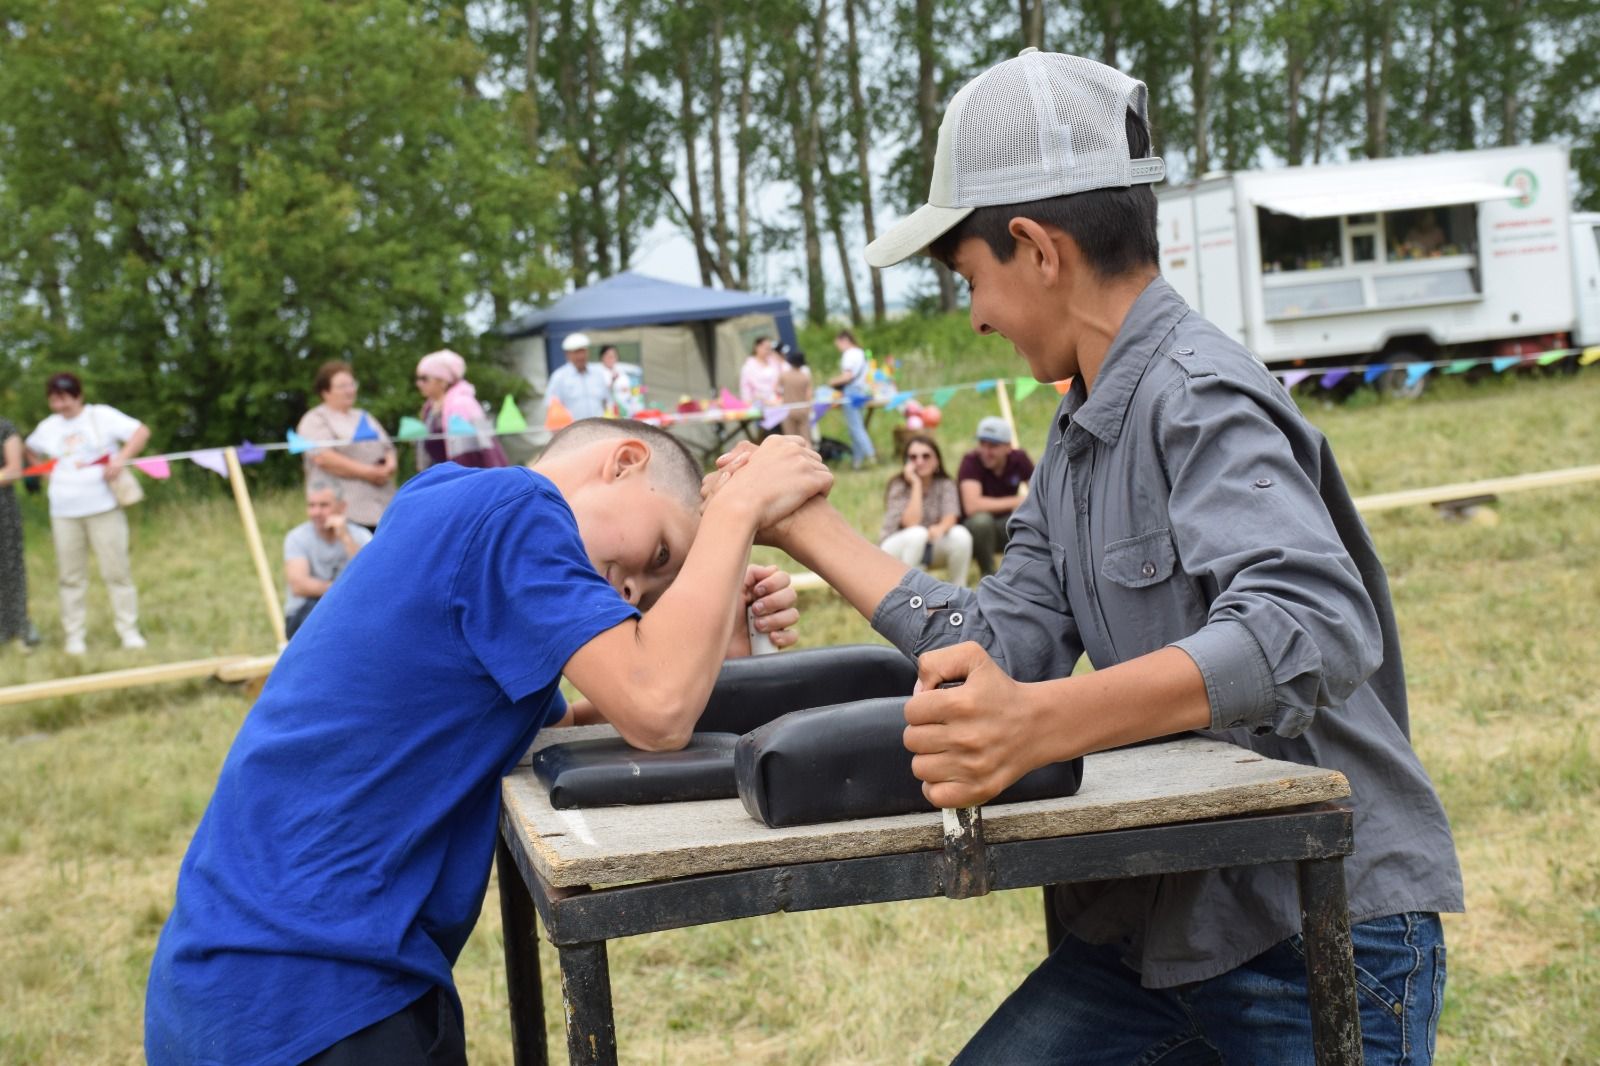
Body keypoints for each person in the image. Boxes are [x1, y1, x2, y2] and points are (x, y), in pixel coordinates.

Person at [722, 49, 1459, 1065]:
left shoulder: (1196, 392)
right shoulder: (1073, 437)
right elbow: (1000, 640)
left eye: (970, 278)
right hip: (1159, 929)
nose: (973, 313)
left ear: (1034, 247)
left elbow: (1314, 620)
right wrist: (805, 525)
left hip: (1312, 927)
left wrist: (1040, 721)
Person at [144, 421, 828, 1066]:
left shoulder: (452, 506)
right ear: (623, 462)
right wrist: (735, 512)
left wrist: (718, 619)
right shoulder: (516, 511)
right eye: (659, 555)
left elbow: (606, 718)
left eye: (651, 594)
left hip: (269, 976)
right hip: (305, 990)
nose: (629, 589)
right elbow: (657, 708)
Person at [24, 372, 151, 654]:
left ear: (78, 395)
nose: (59, 406)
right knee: (71, 576)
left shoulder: (101, 416)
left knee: (117, 571)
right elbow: (29, 448)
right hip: (64, 511)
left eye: (65, 399)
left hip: (103, 507)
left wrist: (120, 459)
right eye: (54, 401)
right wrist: (44, 472)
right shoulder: (48, 426)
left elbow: (141, 431)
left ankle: (128, 630)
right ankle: (74, 635)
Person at [296, 360, 397, 532]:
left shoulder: (364, 416)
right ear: (325, 391)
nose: (350, 390)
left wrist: (390, 465)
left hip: (382, 508)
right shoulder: (315, 419)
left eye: (352, 384)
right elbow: (324, 457)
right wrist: (369, 472)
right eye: (342, 386)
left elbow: (388, 447)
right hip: (346, 513)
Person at [879, 435, 973, 587]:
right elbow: (911, 522)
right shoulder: (898, 485)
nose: (920, 461)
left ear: (937, 460)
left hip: (929, 545)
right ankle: (907, 593)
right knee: (918, 533)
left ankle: (958, 590)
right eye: (913, 457)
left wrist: (941, 528)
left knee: (961, 535)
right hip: (894, 549)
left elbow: (951, 516)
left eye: (926, 456)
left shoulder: (945, 484)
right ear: (906, 462)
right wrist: (916, 484)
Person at [283, 480, 372, 639]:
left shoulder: (361, 535)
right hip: (305, 614)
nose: (316, 512)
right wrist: (345, 590)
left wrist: (345, 537)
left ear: (342, 507)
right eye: (311, 505)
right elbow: (299, 585)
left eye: (324, 505)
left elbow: (369, 575)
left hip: (348, 609)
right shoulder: (297, 537)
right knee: (323, 616)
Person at [957, 415, 1035, 577]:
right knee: (981, 521)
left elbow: (1038, 493)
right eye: (982, 444)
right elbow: (972, 506)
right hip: (973, 531)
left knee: (1025, 520)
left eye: (993, 446)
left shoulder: (1019, 459)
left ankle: (1021, 574)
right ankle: (989, 574)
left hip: (1003, 524)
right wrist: (1018, 500)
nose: (986, 451)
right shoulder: (970, 461)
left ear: (1008, 447)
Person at [414, 349, 508, 471]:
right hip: (441, 477)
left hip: (464, 478)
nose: (419, 383)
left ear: (442, 381)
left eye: (424, 378)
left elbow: (471, 456)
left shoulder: (461, 405)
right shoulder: (429, 408)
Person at [0, 416, 42, 653]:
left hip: (2, 510)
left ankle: (17, 629)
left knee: (8, 569)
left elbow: (14, 470)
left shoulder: (5, 428)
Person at [827, 329, 878, 469]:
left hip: (851, 392)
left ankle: (871, 456)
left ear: (844, 340)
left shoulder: (848, 355)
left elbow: (847, 376)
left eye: (838, 344)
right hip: (862, 391)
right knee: (857, 426)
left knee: (855, 427)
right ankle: (857, 461)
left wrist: (832, 381)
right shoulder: (861, 352)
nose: (838, 348)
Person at [545, 332, 612, 421]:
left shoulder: (598, 373)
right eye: (576, 352)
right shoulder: (559, 377)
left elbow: (607, 401)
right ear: (567, 354)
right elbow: (551, 407)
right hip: (573, 431)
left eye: (583, 351)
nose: (581, 356)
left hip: (599, 429)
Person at [778, 346, 815, 440]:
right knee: (806, 439)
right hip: (802, 408)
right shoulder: (805, 377)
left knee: (790, 439)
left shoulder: (784, 376)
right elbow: (809, 394)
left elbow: (776, 389)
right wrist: (809, 408)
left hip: (788, 409)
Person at [738, 335, 784, 407]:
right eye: (766, 348)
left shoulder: (774, 363)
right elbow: (745, 389)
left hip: (777, 401)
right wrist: (748, 403)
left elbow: (781, 379)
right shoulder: (748, 367)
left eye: (770, 349)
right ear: (757, 347)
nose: (768, 351)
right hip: (759, 403)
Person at [599, 344, 643, 416]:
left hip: (627, 409)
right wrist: (612, 382)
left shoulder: (621, 371)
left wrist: (637, 390)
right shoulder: (599, 373)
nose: (611, 359)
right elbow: (602, 394)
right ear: (602, 357)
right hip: (609, 412)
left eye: (614, 356)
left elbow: (630, 389)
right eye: (609, 356)